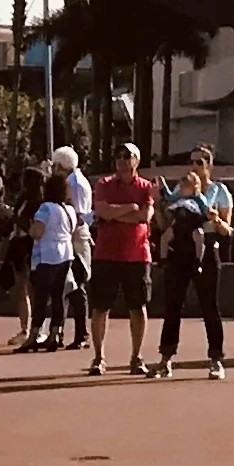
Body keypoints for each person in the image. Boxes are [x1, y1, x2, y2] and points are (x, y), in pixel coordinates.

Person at [151, 145, 233, 378]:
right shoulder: (181, 188)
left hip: (205, 248)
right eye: (192, 161)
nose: (194, 166)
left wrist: (217, 222)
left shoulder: (219, 192)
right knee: (173, 305)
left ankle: (216, 359)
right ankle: (166, 358)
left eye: (200, 162)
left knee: (209, 306)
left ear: (209, 166)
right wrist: (159, 206)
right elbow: (166, 222)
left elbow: (228, 229)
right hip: (180, 249)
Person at [84, 140, 158, 374]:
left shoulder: (146, 186)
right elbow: (102, 210)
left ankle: (136, 357)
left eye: (127, 157)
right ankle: (99, 357)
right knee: (100, 307)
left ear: (136, 161)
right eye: (118, 157)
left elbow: (145, 216)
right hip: (107, 254)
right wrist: (129, 208)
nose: (122, 162)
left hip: (136, 254)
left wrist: (116, 213)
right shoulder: (104, 183)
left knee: (137, 307)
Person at [15, 169, 77, 351]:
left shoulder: (46, 208)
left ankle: (34, 333)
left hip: (47, 255)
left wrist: (27, 226)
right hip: (66, 255)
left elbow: (37, 232)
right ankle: (55, 332)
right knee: (59, 296)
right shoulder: (69, 210)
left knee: (41, 296)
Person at [47, 144, 94, 348]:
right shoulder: (73, 180)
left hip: (75, 238)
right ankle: (60, 332)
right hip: (69, 237)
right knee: (65, 286)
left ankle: (81, 333)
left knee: (76, 285)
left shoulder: (75, 183)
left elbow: (81, 215)